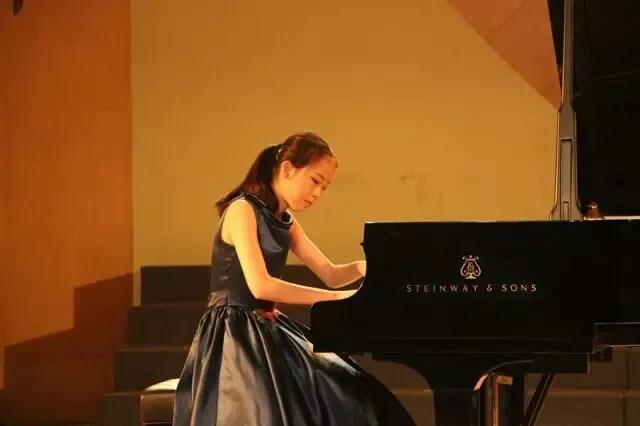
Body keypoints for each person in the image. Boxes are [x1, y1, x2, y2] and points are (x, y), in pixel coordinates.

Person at [172, 132, 415, 425]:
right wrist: (342, 298)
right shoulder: (242, 210)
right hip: (233, 331)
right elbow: (261, 286)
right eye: (315, 181)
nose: (318, 193)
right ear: (287, 169)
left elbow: (331, 274)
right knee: (281, 408)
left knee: (352, 389)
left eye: (324, 187)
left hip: (264, 325)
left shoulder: (286, 220)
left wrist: (365, 267)